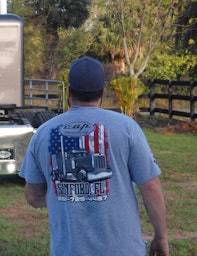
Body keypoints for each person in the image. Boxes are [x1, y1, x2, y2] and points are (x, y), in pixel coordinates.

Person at [20, 56, 169, 256]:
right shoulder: (127, 127)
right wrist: (161, 236)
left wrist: (67, 193)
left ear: (69, 92)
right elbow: (150, 186)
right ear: (102, 92)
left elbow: (33, 196)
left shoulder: (44, 133)